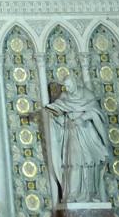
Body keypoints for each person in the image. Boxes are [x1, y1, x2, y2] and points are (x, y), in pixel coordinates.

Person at [44, 75, 109, 203]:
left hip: (87, 132)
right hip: (73, 133)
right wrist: (54, 113)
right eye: (65, 86)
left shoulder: (87, 94)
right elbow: (59, 110)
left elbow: (95, 112)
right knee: (74, 163)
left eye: (69, 86)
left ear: (74, 82)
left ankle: (90, 194)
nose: (67, 89)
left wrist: (82, 118)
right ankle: (72, 194)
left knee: (90, 163)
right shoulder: (64, 97)